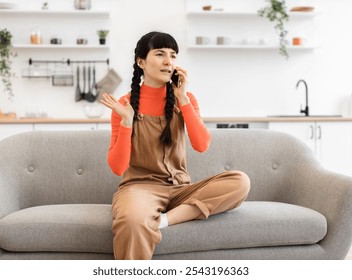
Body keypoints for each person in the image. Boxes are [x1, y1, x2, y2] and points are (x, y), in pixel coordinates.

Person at [100, 31, 250, 260]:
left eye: (173, 55)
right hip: (139, 189)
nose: (169, 61)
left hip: (180, 189)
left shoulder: (185, 98)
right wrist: (127, 120)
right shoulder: (124, 105)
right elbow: (118, 168)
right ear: (141, 62)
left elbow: (202, 145)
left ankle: (165, 220)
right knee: (131, 221)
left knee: (240, 181)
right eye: (160, 54)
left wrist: (183, 98)